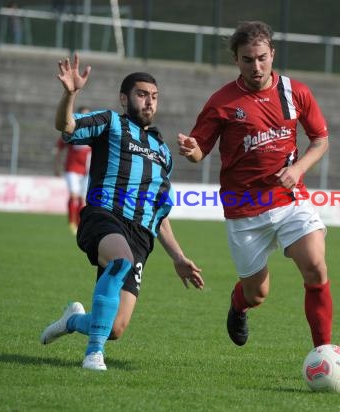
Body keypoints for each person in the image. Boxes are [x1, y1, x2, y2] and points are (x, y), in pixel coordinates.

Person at [40, 53, 204, 371]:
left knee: (115, 328)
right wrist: (70, 94)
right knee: (120, 261)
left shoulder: (163, 153)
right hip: (105, 216)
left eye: (154, 97)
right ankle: (93, 355)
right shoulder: (109, 122)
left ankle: (73, 321)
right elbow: (67, 127)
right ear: (124, 98)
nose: (149, 102)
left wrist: (179, 257)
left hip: (141, 236)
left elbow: (160, 214)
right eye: (142, 94)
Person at [177, 21, 332, 350]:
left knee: (316, 264)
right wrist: (192, 150)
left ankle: (323, 353)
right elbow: (199, 150)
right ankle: (238, 305)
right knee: (257, 293)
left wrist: (300, 168)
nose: (256, 66)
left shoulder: (296, 92)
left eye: (262, 57)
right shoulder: (222, 101)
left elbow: (320, 139)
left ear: (272, 54)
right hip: (244, 210)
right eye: (248, 59)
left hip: (289, 199)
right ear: (236, 59)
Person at [54, 106, 92, 234]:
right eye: (83, 115)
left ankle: (80, 224)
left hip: (87, 171)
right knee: (74, 195)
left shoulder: (93, 132)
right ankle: (72, 223)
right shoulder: (70, 131)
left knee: (83, 199)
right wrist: (57, 166)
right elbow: (59, 149)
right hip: (72, 169)